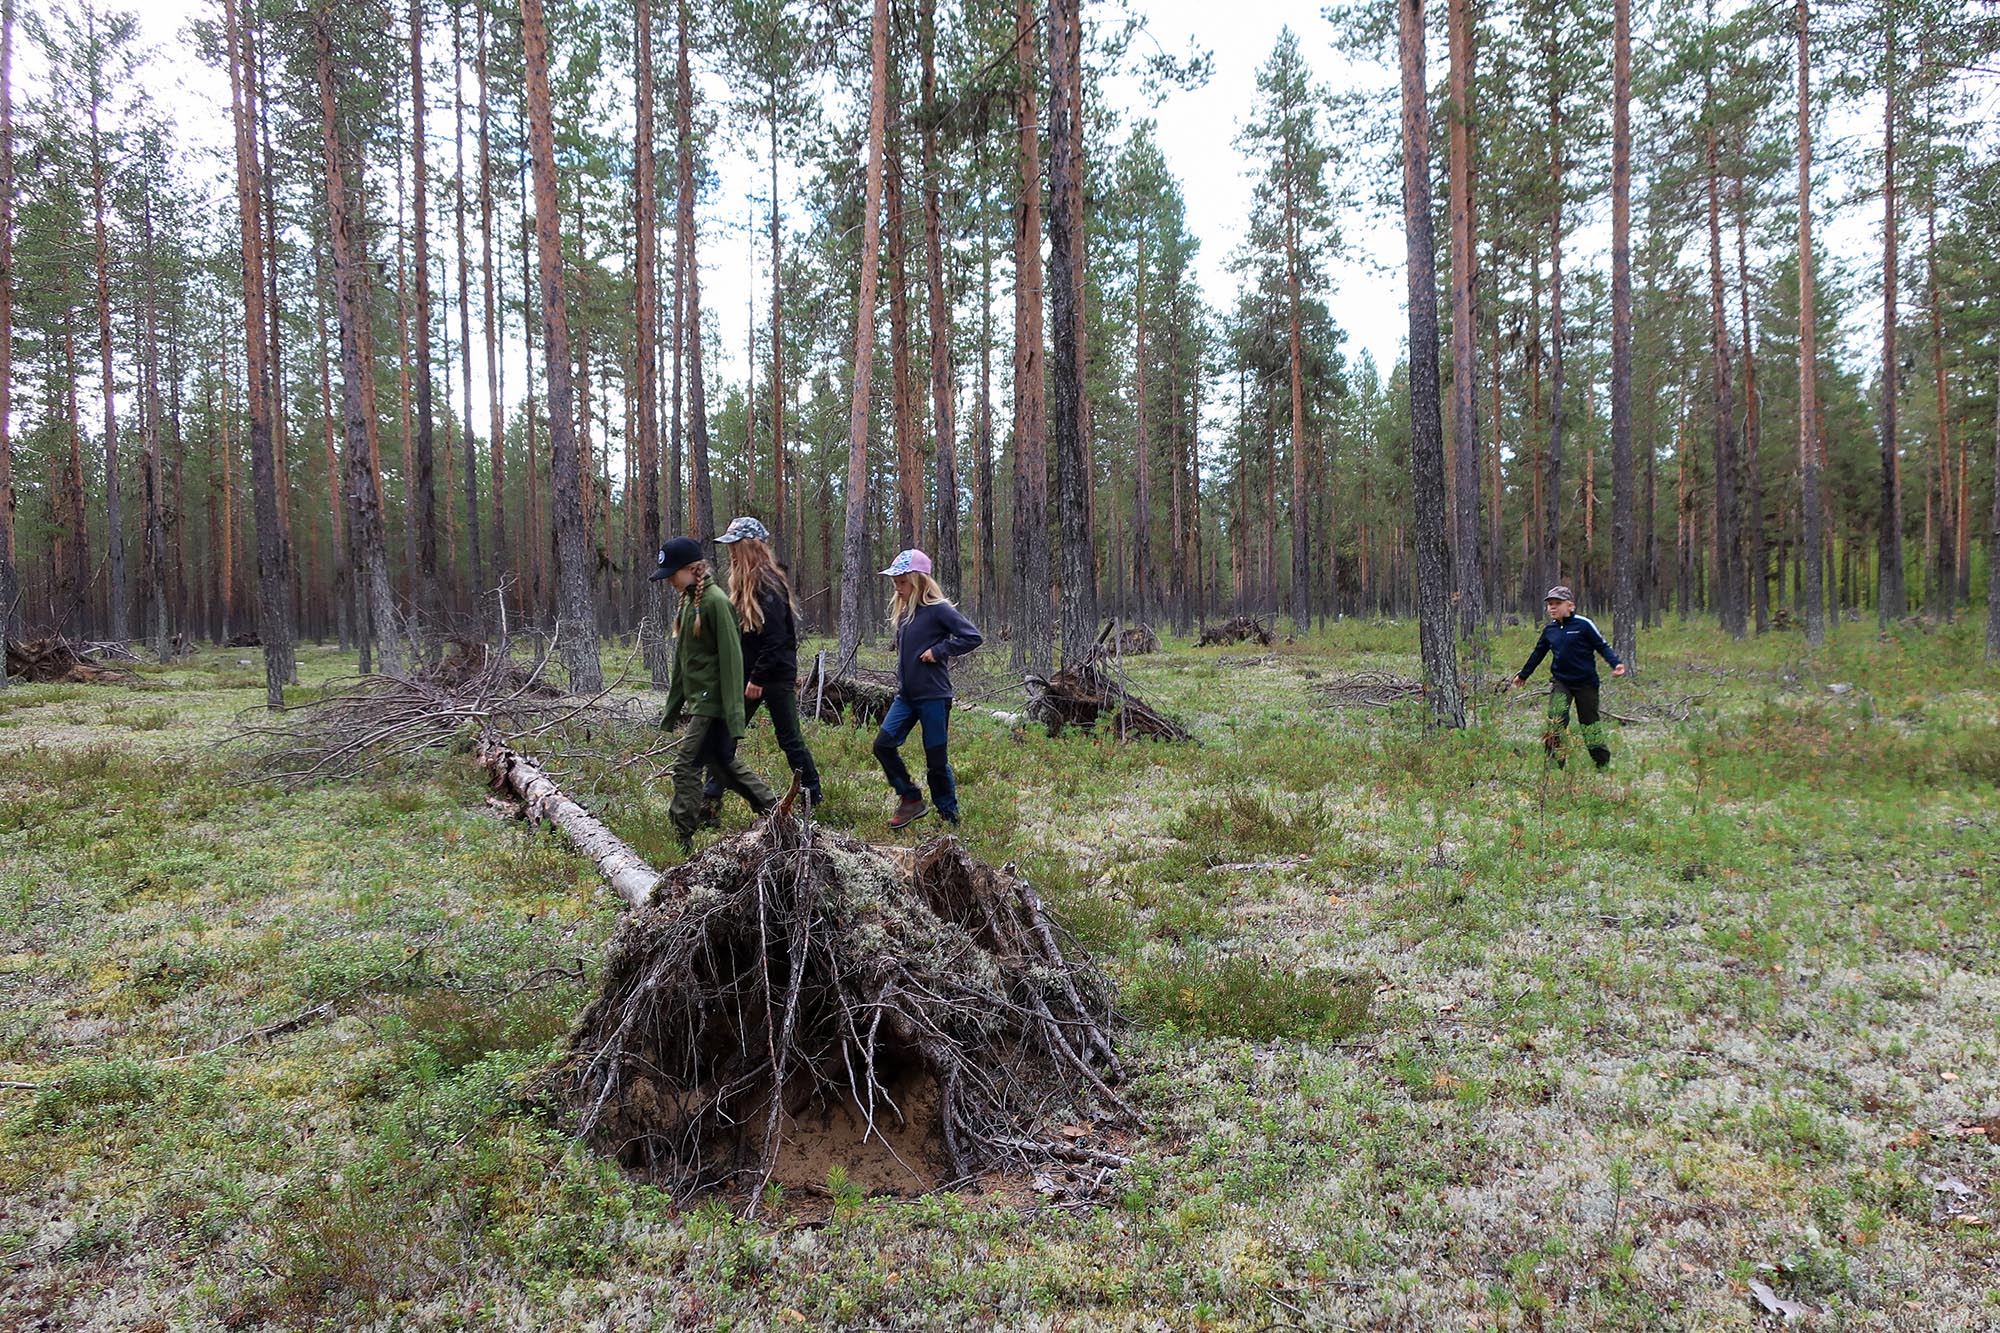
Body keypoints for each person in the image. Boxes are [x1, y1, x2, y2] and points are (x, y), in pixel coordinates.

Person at [651, 535, 777, 848]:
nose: (668, 581)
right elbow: (683, 663)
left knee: (686, 766)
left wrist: (733, 714)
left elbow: (732, 660)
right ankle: (776, 812)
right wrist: (673, 709)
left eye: (672, 574)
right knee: (722, 764)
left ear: (690, 569)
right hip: (701, 702)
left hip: (713, 703)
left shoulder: (716, 602)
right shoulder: (689, 602)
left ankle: (682, 838)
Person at [701, 516, 823, 812]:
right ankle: (710, 801)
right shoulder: (744, 583)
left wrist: (757, 678)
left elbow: (776, 639)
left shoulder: (768, 584)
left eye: (734, 546)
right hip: (750, 674)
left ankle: (812, 794)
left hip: (773, 675)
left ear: (749, 546)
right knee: (724, 734)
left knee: (788, 738)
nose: (730, 552)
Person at [873, 549, 982, 829]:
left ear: (918, 581)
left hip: (934, 696)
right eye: (895, 582)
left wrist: (939, 650)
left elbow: (972, 637)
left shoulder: (939, 609)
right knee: (883, 745)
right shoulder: (905, 614)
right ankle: (910, 798)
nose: (897, 588)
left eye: (902, 582)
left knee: (936, 760)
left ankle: (949, 818)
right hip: (906, 697)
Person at [1511, 584, 1627, 769]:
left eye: (1557, 603)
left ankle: (1602, 762)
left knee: (1589, 724)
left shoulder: (1584, 625)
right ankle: (1554, 765)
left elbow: (1602, 646)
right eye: (1550, 604)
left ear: (1570, 606)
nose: (1553, 607)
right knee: (1555, 721)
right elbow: (1538, 653)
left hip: (1586, 683)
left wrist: (1616, 664)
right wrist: (1524, 675)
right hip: (1561, 682)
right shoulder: (1550, 630)